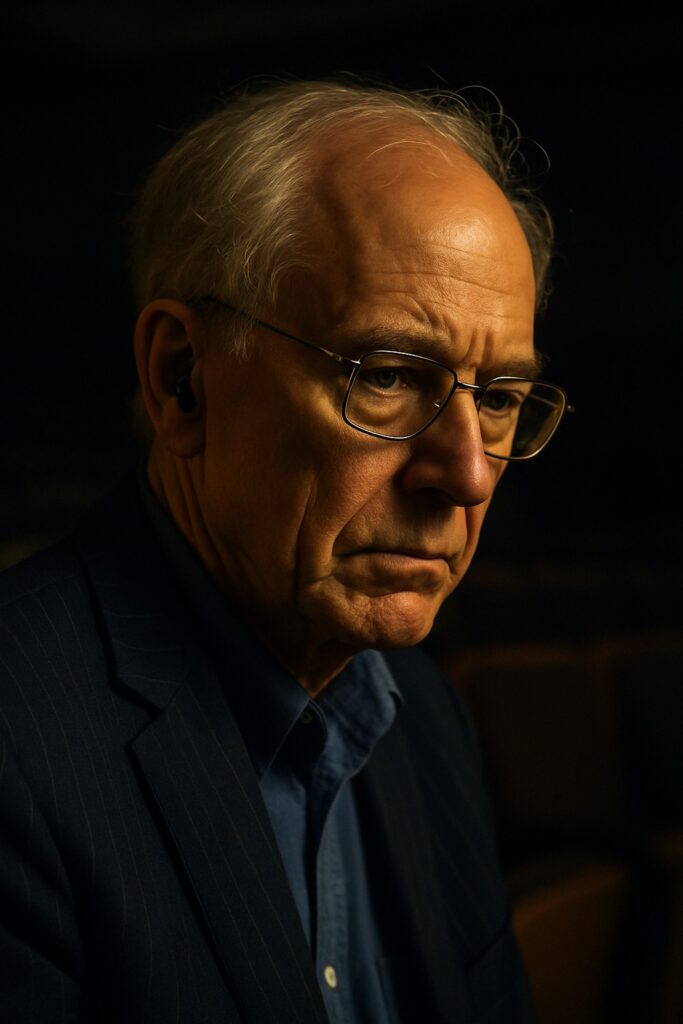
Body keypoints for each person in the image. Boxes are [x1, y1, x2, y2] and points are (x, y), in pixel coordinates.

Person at [0, 81, 570, 1023]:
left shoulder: (423, 712)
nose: (467, 474)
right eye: (387, 376)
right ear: (183, 380)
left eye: (500, 397)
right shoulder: (22, 746)